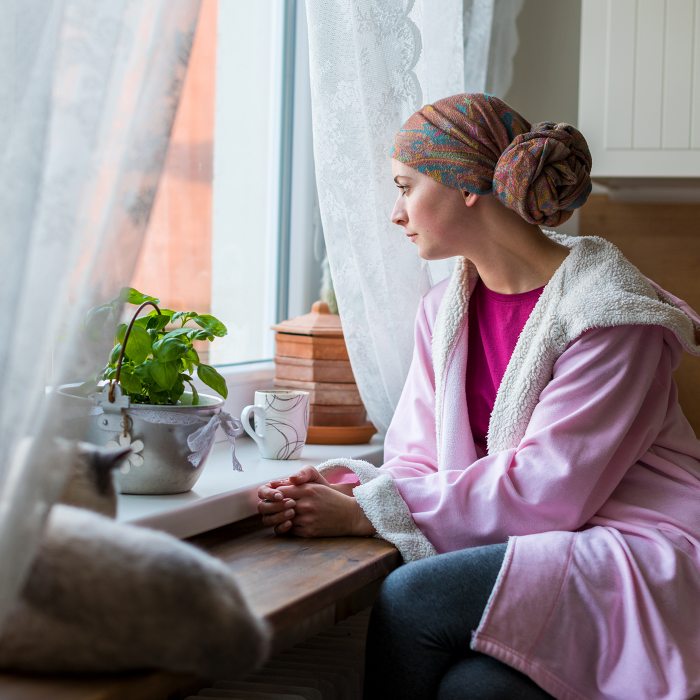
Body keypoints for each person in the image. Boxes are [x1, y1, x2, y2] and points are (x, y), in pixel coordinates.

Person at [257, 94, 700, 700]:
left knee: (415, 597)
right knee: (475, 690)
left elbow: (548, 492)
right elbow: (415, 457)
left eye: (406, 187)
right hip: (540, 543)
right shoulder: (443, 311)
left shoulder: (611, 316)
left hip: (638, 543)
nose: (396, 212)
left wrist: (369, 513)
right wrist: (350, 492)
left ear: (467, 185)